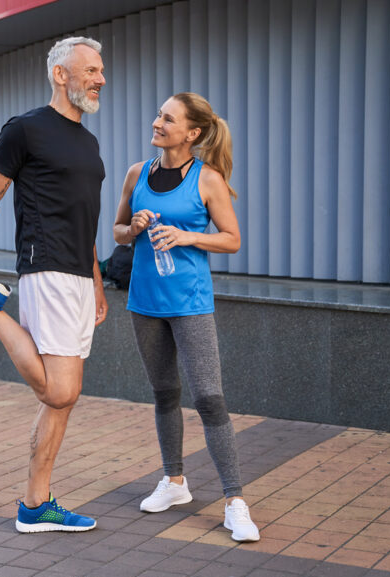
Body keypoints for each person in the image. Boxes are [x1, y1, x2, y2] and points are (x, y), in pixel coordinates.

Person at [0, 36, 108, 533]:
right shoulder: (25, 129)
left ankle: (36, 504)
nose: (100, 78)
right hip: (46, 267)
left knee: (64, 398)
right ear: (61, 74)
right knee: (60, 390)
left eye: (102, 70)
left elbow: (87, 219)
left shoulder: (88, 141)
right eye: (91, 70)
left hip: (79, 273)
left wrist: (97, 282)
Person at [112, 92, 260, 542]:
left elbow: (232, 239)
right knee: (164, 393)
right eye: (158, 113)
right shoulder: (137, 173)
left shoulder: (207, 178)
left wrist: (187, 236)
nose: (157, 122)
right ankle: (174, 482)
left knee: (210, 398)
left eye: (167, 118)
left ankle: (235, 501)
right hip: (145, 302)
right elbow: (117, 232)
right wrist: (133, 228)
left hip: (190, 303)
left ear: (192, 132)